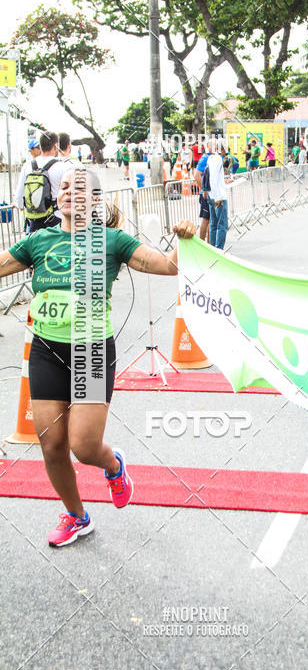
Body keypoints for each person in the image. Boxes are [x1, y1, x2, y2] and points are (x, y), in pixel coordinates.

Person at [0, 166, 197, 546]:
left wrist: (188, 238)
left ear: (96, 200)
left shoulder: (112, 241)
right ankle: (77, 516)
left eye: (83, 188)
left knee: (84, 446)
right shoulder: (38, 241)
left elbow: (170, 266)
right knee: (51, 443)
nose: (72, 192)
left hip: (90, 351)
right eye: (66, 187)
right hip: (45, 349)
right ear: (58, 198)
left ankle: (113, 465)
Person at [15, 131, 65, 232]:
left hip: (34, 221)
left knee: (35, 247)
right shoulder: (62, 166)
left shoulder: (28, 165)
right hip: (56, 220)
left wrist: (20, 205)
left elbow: (19, 196)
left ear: (41, 146)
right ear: (56, 146)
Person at [204, 138, 228, 249]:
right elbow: (213, 178)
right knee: (222, 225)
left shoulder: (211, 158)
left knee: (213, 224)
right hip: (218, 196)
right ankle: (219, 249)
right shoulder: (218, 159)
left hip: (211, 194)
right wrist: (217, 197)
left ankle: (213, 249)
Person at [193, 147, 211, 242]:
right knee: (206, 220)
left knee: (210, 221)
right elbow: (196, 174)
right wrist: (204, 189)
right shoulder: (205, 158)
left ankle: (209, 244)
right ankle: (202, 244)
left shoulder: (213, 157)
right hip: (205, 194)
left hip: (211, 193)